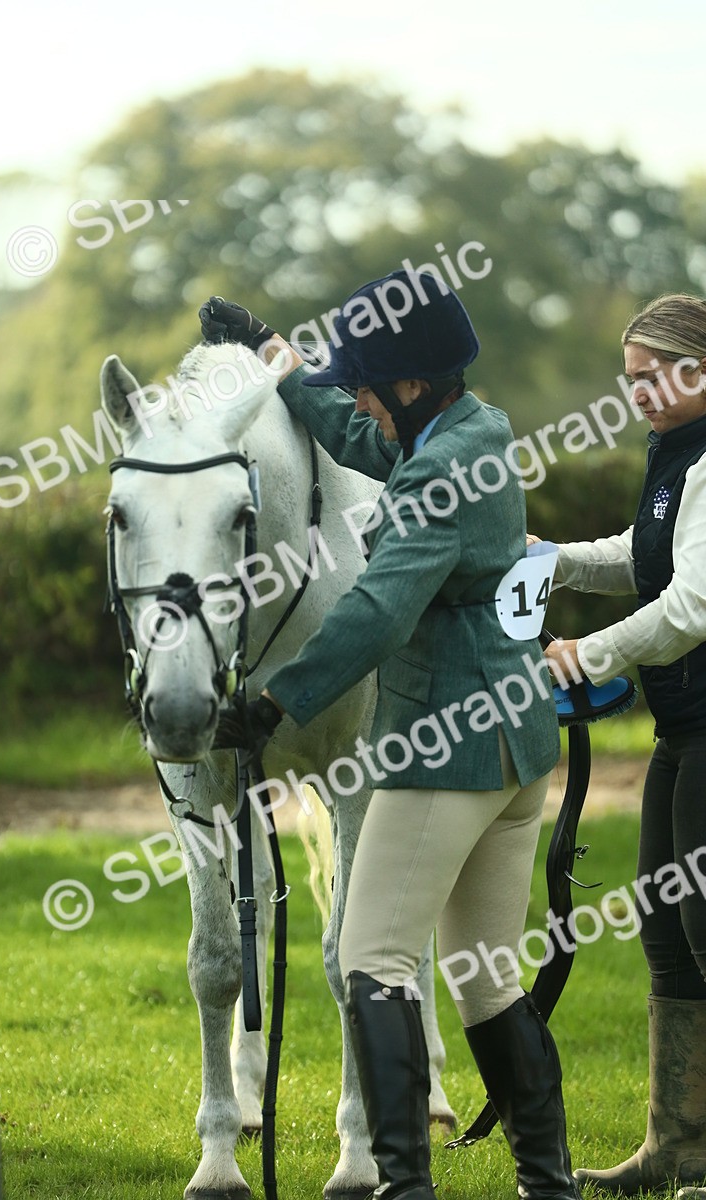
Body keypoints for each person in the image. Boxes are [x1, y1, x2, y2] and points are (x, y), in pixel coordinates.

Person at [200, 271, 583, 1200]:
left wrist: (274, 703)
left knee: (370, 960)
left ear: (412, 381)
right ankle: (547, 1184)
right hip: (516, 750)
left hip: (447, 752)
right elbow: (353, 431)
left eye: (369, 377)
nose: (358, 392)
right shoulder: (467, 430)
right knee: (486, 983)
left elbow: (376, 613)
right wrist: (275, 357)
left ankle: (398, 1184)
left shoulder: (442, 474)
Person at [539, 294, 706, 1199]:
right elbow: (651, 559)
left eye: (657, 376)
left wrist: (585, 652)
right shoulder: (676, 456)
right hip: (683, 729)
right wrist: (557, 558)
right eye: (631, 379)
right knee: (668, 935)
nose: (640, 394)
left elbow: (692, 607)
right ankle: (675, 1148)